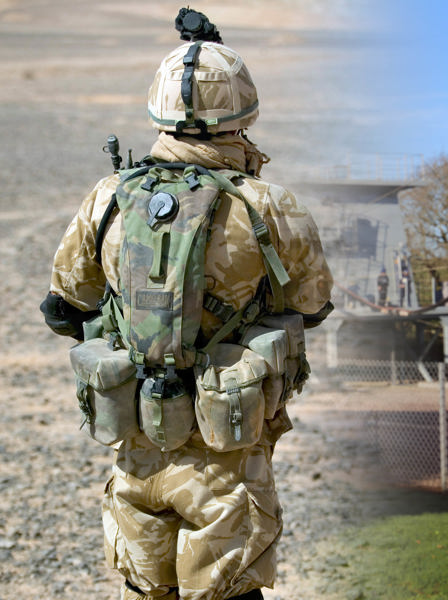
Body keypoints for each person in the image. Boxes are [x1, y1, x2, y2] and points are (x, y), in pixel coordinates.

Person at [40, 15, 333, 600]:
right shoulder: (270, 206)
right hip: (226, 461)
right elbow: (313, 303)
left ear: (158, 111)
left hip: (135, 450)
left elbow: (62, 306)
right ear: (244, 113)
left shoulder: (109, 198)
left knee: (143, 588)